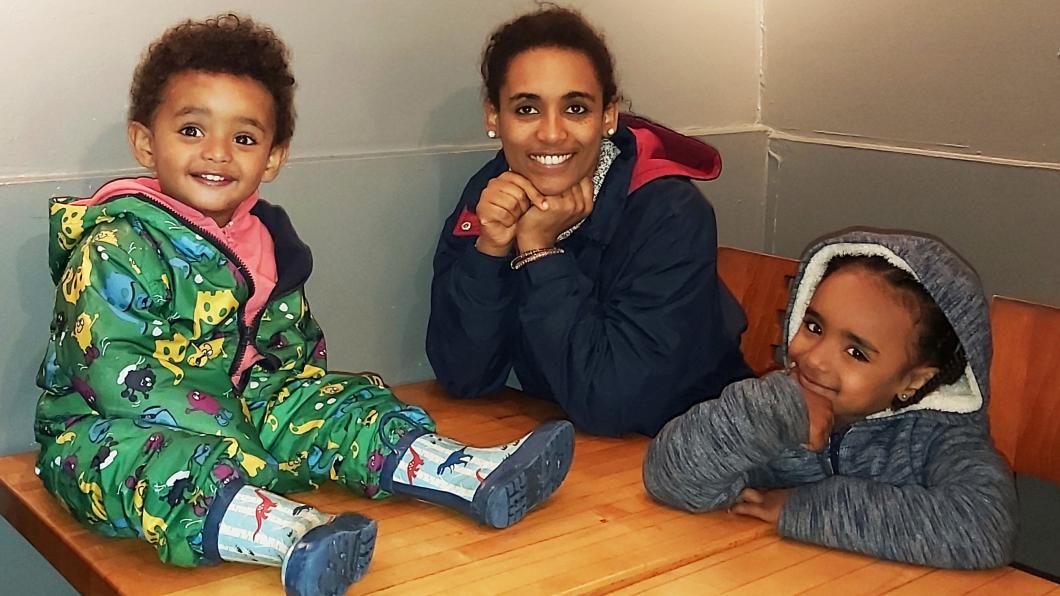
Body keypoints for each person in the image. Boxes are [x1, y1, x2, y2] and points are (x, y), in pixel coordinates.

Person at [34, 15, 573, 596]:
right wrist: (246, 448)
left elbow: (291, 356)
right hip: (113, 430)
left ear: (272, 157)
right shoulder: (117, 246)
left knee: (339, 400)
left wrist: (297, 407)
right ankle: (291, 536)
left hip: (242, 412)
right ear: (145, 140)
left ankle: (464, 473)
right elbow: (114, 378)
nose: (217, 153)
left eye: (243, 138)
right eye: (192, 130)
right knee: (141, 467)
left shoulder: (266, 243)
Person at [426, 6, 752, 437]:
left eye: (576, 108)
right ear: (493, 116)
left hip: (700, 455)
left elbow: (615, 403)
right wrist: (490, 249)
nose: (552, 133)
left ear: (608, 115)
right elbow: (463, 376)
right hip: (586, 449)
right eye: (526, 109)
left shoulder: (670, 213)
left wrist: (541, 252)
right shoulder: (492, 192)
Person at [643, 229, 1018, 569]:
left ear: (914, 380)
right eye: (814, 326)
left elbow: (983, 526)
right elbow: (670, 478)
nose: (816, 358)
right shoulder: (775, 411)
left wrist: (804, 509)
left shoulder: (942, 440)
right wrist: (769, 414)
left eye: (856, 353)